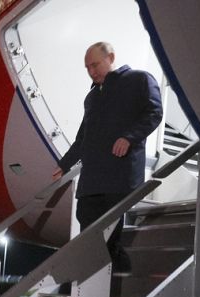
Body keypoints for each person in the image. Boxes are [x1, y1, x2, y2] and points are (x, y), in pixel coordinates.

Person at [53, 42, 163, 271]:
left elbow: (154, 113)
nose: (91, 71)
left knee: (109, 237)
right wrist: (64, 165)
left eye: (95, 64)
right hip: (91, 182)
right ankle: (93, 282)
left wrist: (129, 137)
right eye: (87, 67)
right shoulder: (91, 98)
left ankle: (114, 277)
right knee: (88, 239)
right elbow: (82, 138)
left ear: (110, 57)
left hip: (119, 177)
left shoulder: (139, 79)